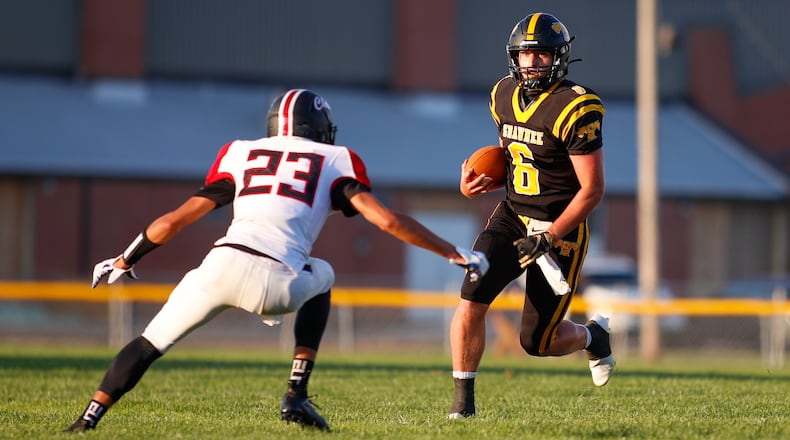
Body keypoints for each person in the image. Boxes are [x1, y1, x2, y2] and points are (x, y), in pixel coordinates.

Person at [64, 88, 488, 433]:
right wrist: (452, 252)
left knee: (147, 343)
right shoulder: (335, 159)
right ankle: (296, 393)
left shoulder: (240, 153)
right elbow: (387, 220)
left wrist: (124, 258)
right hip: (278, 282)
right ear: (322, 129)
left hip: (218, 268)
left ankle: (87, 419)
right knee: (324, 275)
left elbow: (174, 220)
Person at [447, 12, 614, 419]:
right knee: (471, 297)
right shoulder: (502, 93)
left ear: (559, 58)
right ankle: (462, 406)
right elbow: (513, 152)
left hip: (562, 226)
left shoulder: (577, 106)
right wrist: (477, 178)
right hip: (513, 214)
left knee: (538, 343)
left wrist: (552, 235)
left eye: (541, 55)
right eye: (525, 55)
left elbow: (592, 189)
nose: (532, 63)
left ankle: (594, 335)